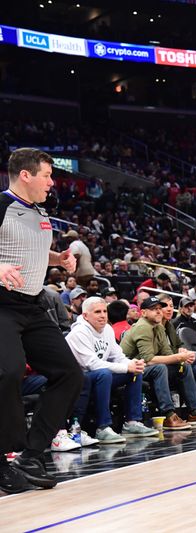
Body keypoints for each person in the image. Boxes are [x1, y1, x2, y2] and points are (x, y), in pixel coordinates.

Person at [0, 147, 84, 494]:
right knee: (8, 371)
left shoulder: (39, 212)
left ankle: (31, 455)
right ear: (26, 175)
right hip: (2, 304)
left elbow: (25, 248)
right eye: (47, 175)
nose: (52, 182)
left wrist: (57, 259)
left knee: (70, 373)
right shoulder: (2, 205)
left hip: (33, 306)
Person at [66, 297, 159, 443]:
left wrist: (132, 364)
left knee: (134, 372)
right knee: (105, 373)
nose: (103, 315)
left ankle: (132, 422)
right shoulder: (79, 333)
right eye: (97, 312)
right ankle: (103, 427)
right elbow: (92, 364)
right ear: (85, 316)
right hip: (79, 379)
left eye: (104, 311)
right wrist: (125, 367)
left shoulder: (107, 329)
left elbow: (118, 356)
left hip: (100, 375)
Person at [121, 297, 196, 428]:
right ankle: (168, 415)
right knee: (161, 368)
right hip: (130, 369)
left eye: (158, 308)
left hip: (146, 368)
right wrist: (179, 357)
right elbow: (148, 359)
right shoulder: (142, 327)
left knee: (183, 366)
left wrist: (182, 357)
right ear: (143, 313)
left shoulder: (159, 327)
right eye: (153, 309)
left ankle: (195, 412)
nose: (158, 312)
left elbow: (168, 353)